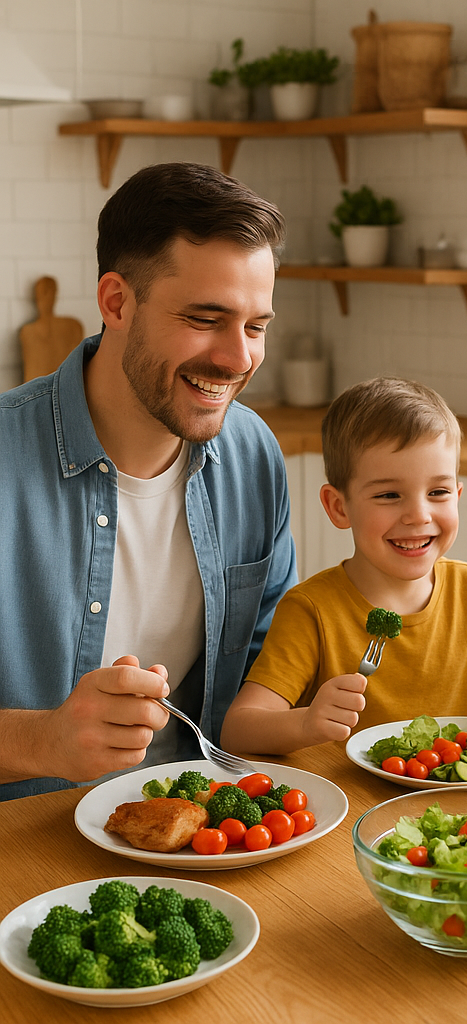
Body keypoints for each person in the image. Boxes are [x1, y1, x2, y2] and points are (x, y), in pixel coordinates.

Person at [0, 162, 297, 800]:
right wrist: (39, 741)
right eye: (204, 318)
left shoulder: (253, 456)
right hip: (28, 853)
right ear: (116, 302)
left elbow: (274, 669)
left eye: (256, 327)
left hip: (210, 834)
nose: (238, 359)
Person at [220, 376, 467, 754]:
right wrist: (306, 723)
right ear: (339, 507)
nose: (419, 515)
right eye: (389, 495)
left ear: (458, 495)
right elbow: (238, 729)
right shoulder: (311, 610)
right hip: (349, 804)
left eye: (438, 492)